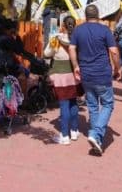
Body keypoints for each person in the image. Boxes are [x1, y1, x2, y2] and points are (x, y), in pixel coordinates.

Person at [69, 4, 122, 156]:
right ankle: (96, 133)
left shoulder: (78, 30)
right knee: (108, 104)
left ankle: (96, 139)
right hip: (102, 74)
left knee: (92, 106)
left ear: (86, 16)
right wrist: (118, 69)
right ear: (98, 15)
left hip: (86, 73)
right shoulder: (105, 30)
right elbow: (114, 51)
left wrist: (75, 66)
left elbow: (72, 48)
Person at [0, 19, 41, 119]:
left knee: (21, 72)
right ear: (11, 30)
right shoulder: (7, 39)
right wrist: (17, 36)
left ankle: (12, 105)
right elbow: (19, 50)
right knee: (22, 77)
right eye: (14, 30)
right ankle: (21, 105)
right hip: (3, 72)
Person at [44, 16, 81, 145]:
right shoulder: (77, 38)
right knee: (73, 102)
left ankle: (65, 135)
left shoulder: (56, 39)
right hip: (74, 75)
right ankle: (74, 131)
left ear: (63, 25)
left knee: (64, 104)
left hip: (60, 75)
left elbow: (47, 53)